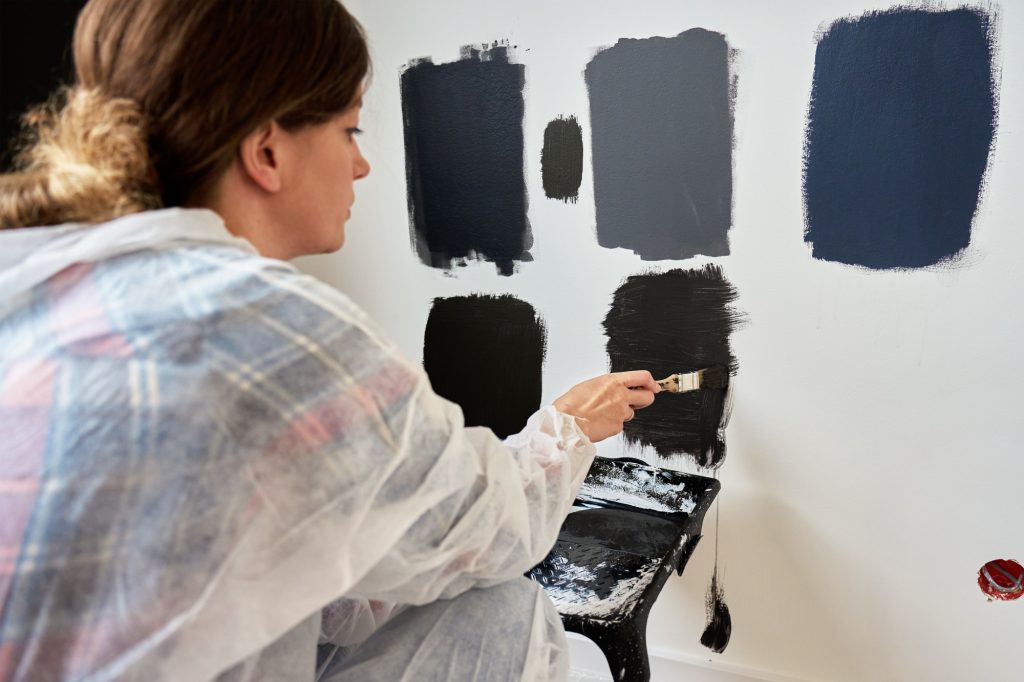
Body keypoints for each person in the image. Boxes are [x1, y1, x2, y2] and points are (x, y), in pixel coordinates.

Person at [0, 1, 661, 680]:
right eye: (349, 130)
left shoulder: (39, 280)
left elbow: (340, 573)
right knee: (507, 611)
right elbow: (484, 531)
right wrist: (570, 427)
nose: (363, 165)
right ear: (266, 151)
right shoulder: (266, 332)